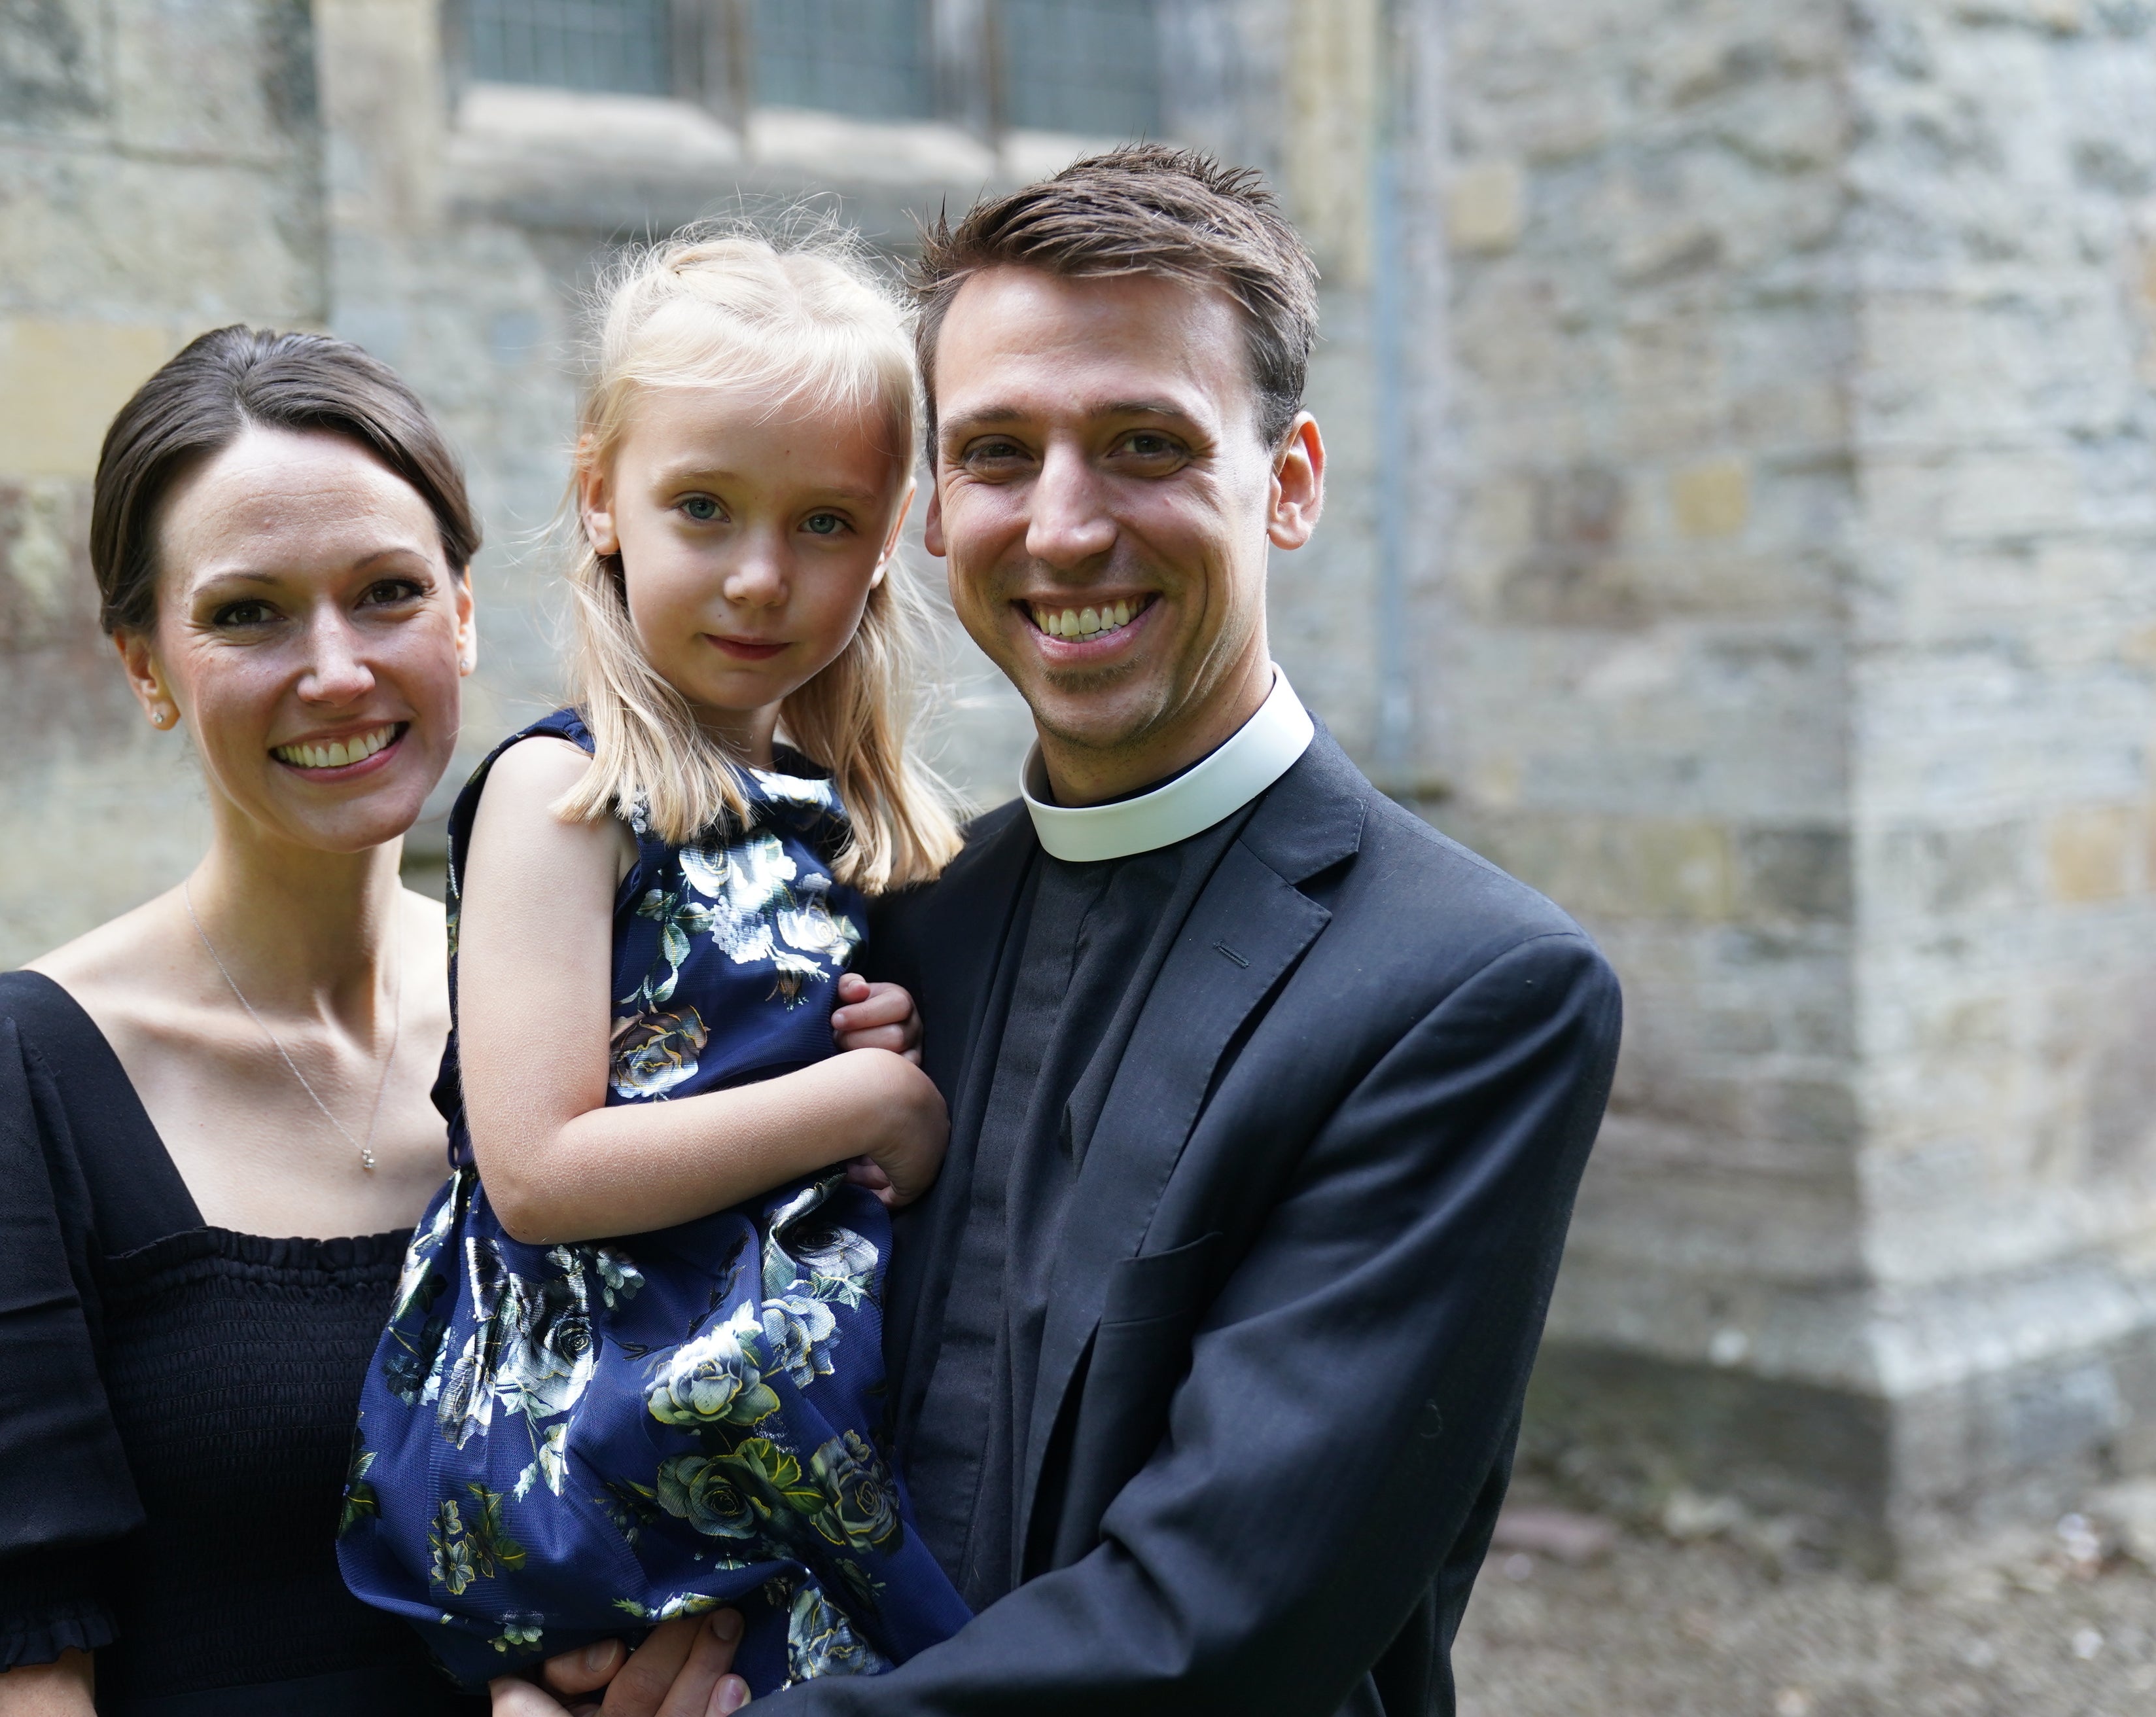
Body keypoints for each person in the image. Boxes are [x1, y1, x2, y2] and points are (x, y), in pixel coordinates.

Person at [533, 147, 1624, 1715]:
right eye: (996, 452)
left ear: (1292, 480)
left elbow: (1228, 1618)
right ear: (929, 513)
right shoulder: (891, 925)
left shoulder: (1467, 990)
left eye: (1143, 445)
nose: (1060, 527)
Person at [339, 228, 973, 1710]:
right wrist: (863, 1104)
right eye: (705, 506)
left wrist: (890, 1105)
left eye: (826, 523)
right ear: (600, 498)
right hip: (601, 1444)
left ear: (888, 542)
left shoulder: (829, 826)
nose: (762, 576)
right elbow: (543, 1167)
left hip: (778, 1432)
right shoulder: (566, 800)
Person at [0, 328, 495, 1715]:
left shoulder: (586, 1010)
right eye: (249, 613)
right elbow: (2, 1683)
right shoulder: (16, 1082)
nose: (336, 671)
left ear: (464, 616)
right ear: (147, 668)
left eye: (386, 592)